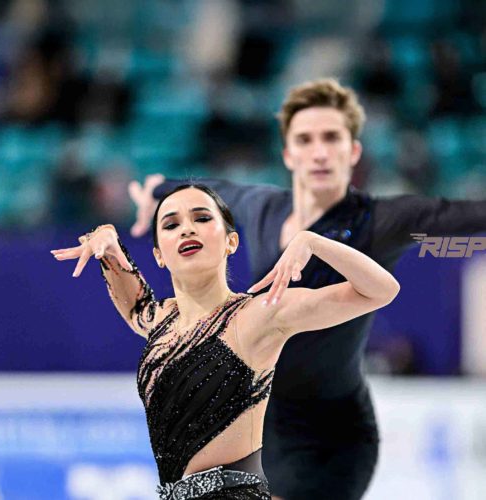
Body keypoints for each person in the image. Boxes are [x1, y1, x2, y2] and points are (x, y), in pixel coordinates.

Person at [128, 79, 486, 499]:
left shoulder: (380, 220)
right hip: (261, 428)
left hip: (331, 438)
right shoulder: (261, 206)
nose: (319, 152)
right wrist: (153, 193)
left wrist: (315, 243)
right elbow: (194, 189)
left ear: (353, 151)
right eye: (305, 139)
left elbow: (463, 218)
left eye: (331, 138)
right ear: (288, 153)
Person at [51, 183, 400, 500]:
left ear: (231, 241)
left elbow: (380, 291)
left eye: (202, 218)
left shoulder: (257, 316)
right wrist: (107, 240)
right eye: (171, 224)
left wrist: (314, 242)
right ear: (158, 255)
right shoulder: (160, 322)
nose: (187, 228)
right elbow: (135, 305)